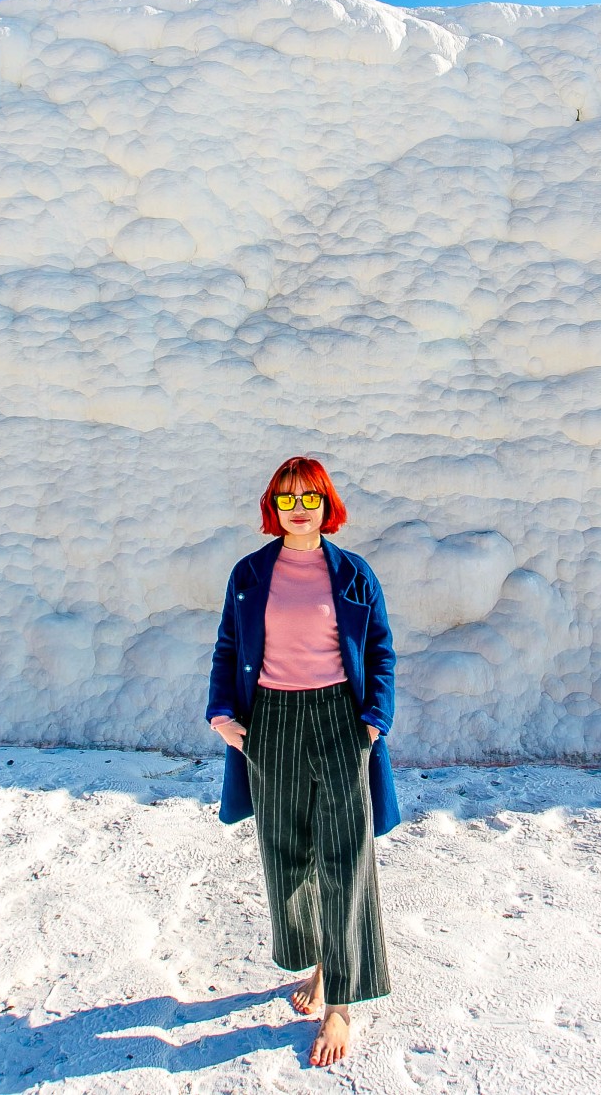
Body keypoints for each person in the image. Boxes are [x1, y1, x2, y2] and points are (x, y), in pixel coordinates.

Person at [204, 455, 400, 1067]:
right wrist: (222, 714)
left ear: (325, 503)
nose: (298, 509)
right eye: (286, 499)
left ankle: (341, 1003)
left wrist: (373, 720)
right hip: (271, 724)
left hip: (340, 722)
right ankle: (319, 962)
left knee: (344, 855)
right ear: (273, 506)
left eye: (309, 498)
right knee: (288, 856)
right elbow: (229, 646)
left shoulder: (353, 573)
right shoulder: (249, 573)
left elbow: (382, 650)